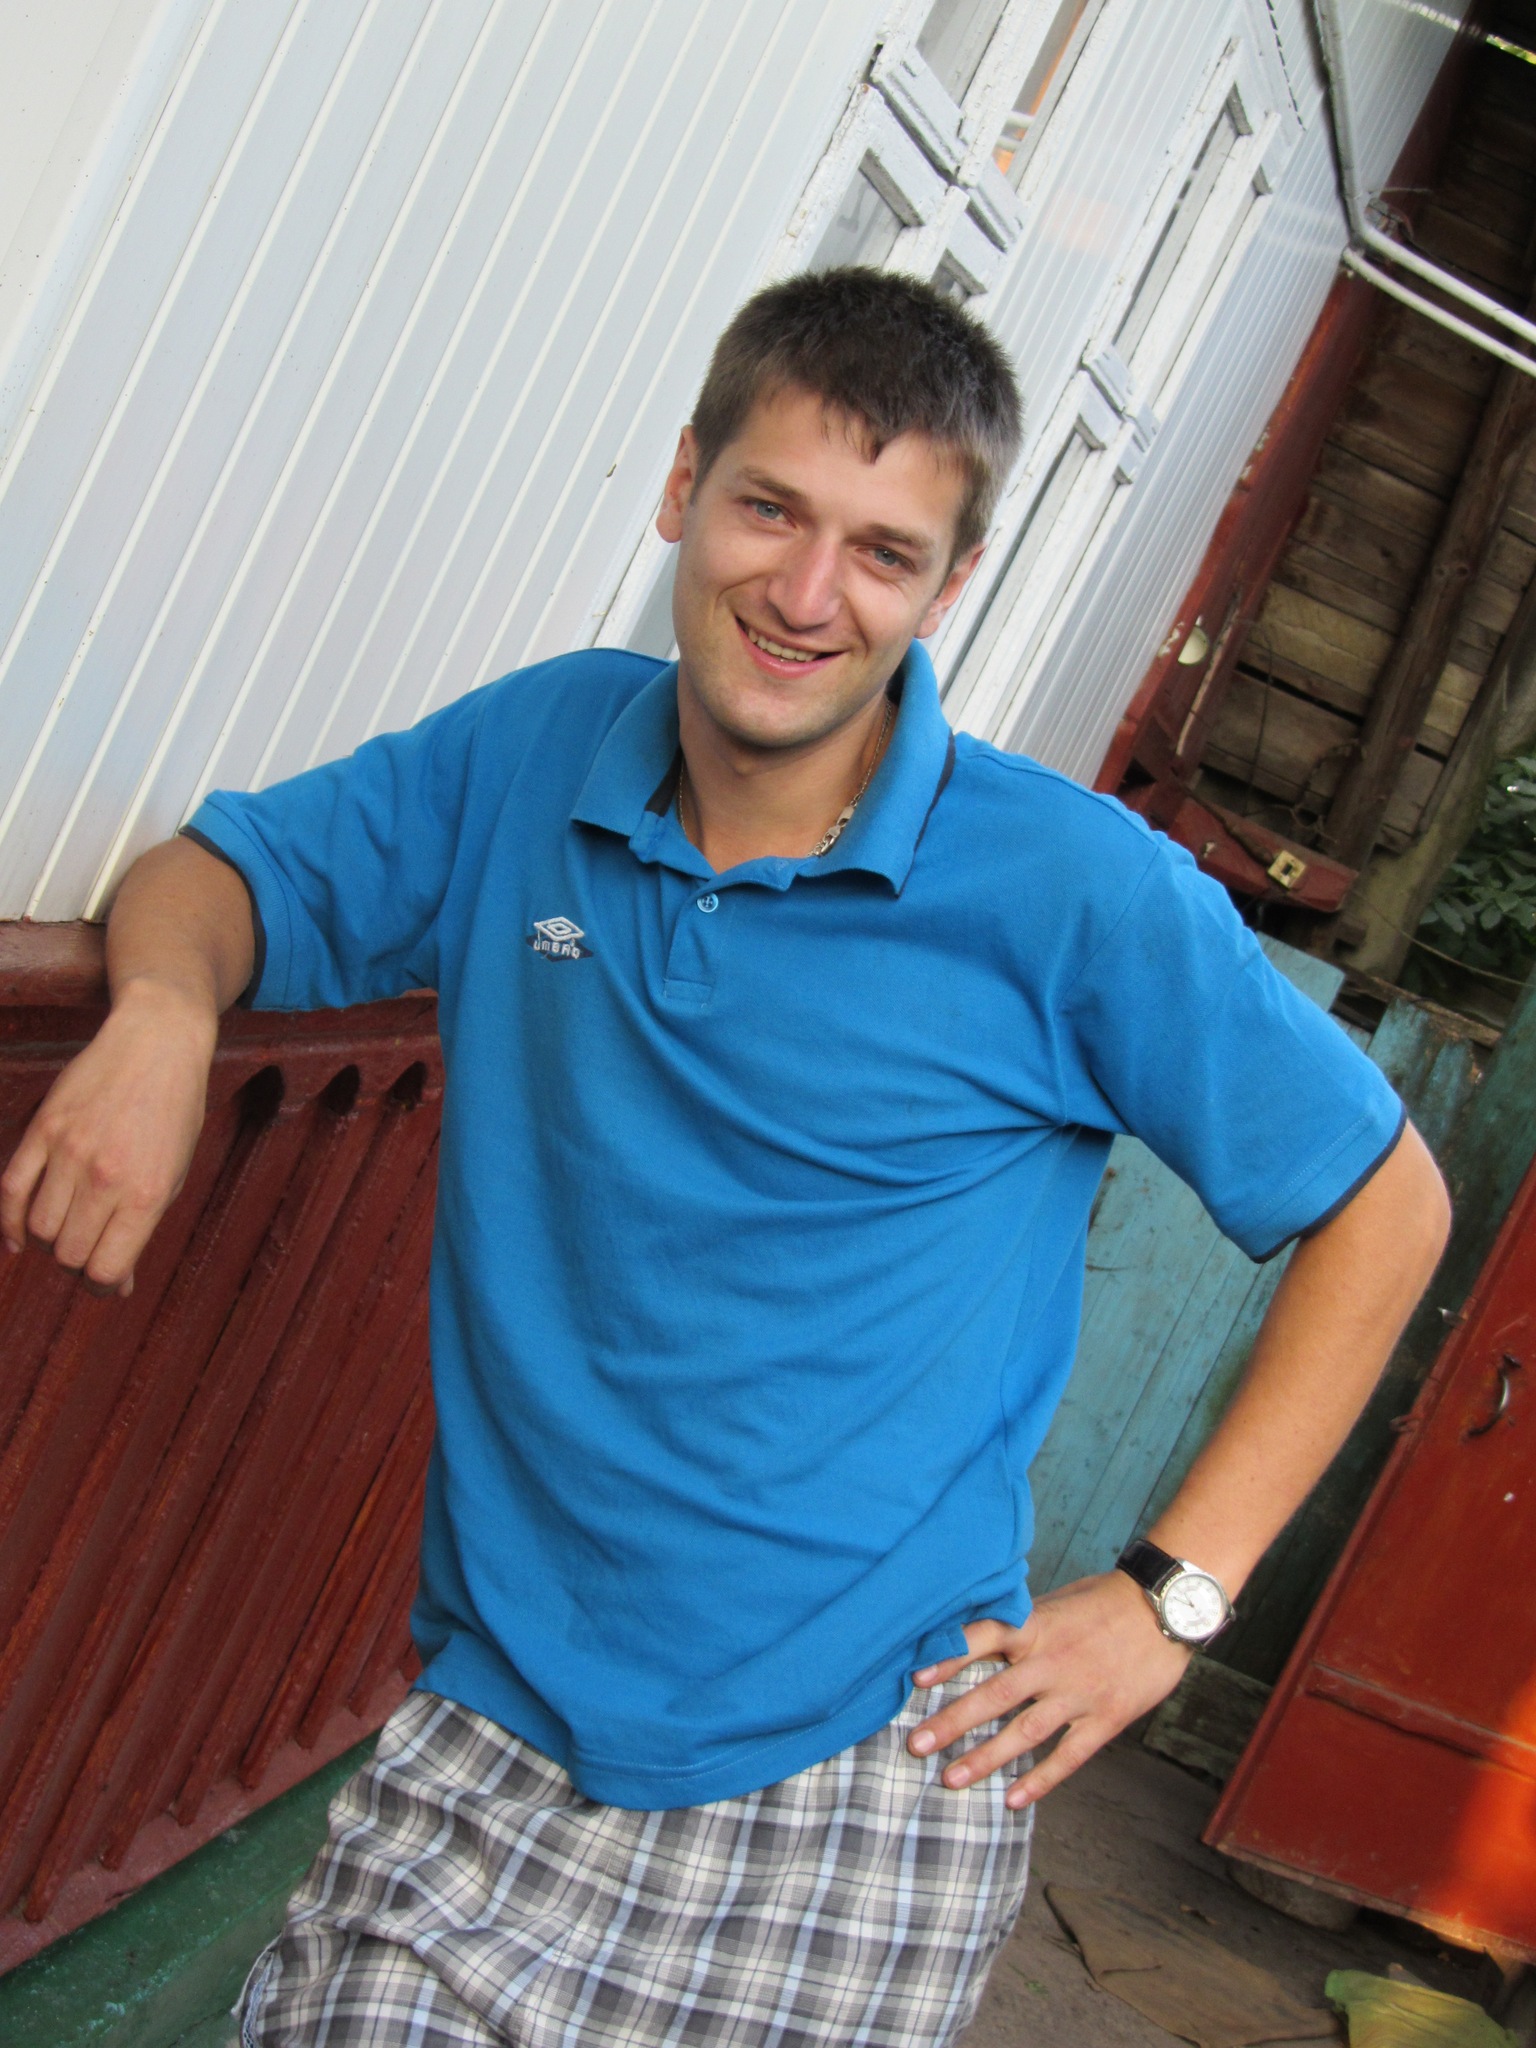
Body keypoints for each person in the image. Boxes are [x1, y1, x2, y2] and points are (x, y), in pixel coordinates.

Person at [1, 269, 1450, 2048]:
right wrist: (162, 1015)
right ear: (684, 485)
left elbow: (1387, 1203)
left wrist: (1171, 1600)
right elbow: (226, 877)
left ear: (948, 587)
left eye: (883, 551)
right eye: (771, 508)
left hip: (873, 1766)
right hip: (503, 1721)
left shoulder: (1072, 888)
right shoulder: (534, 751)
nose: (808, 595)